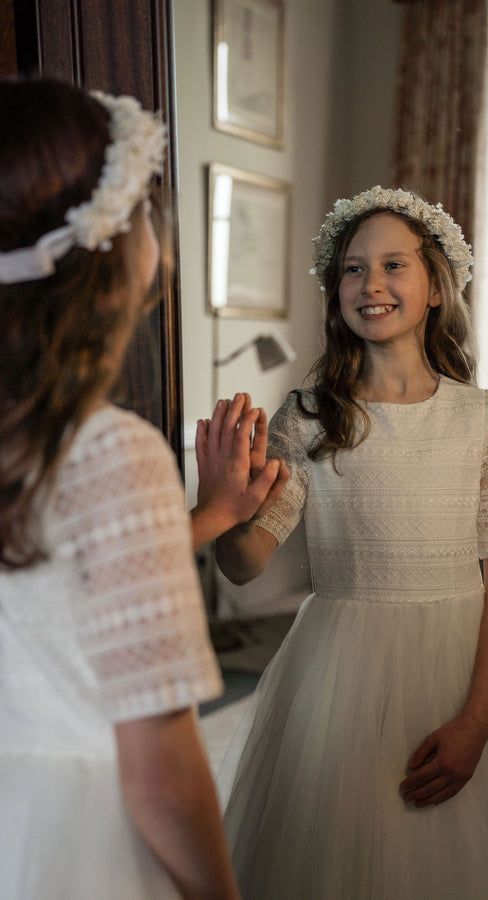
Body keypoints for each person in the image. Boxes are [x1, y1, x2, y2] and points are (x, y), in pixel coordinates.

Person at [209, 186, 488, 898]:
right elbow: (246, 566)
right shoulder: (308, 418)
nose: (371, 284)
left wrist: (479, 719)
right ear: (335, 290)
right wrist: (223, 509)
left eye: (393, 265)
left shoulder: (478, 416)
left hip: (461, 669)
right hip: (340, 669)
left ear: (435, 286)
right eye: (352, 268)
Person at [0, 77, 287, 900]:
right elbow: (161, 770)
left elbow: (51, 587)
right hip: (72, 843)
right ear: (110, 245)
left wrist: (213, 515)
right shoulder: (110, 450)